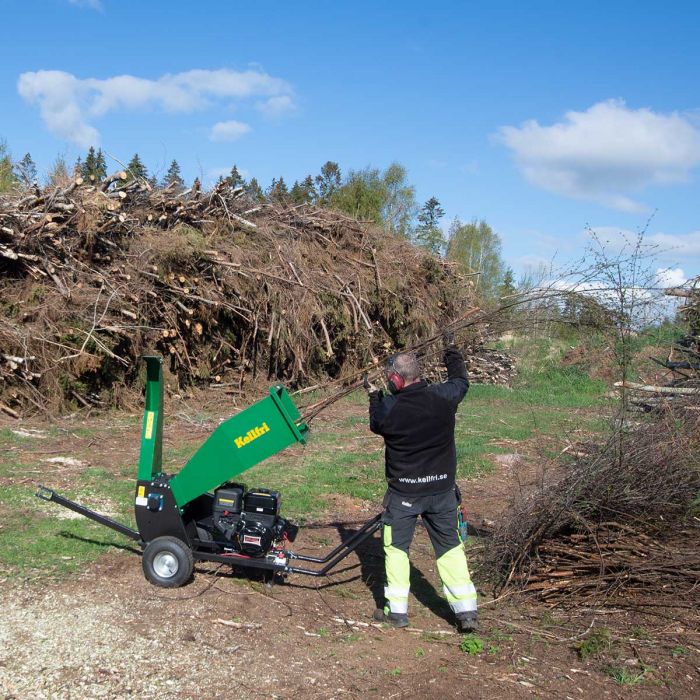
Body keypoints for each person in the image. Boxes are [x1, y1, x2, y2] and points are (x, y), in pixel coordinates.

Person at [365, 338, 477, 631]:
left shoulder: (389, 408)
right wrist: (451, 349)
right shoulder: (444, 396)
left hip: (404, 494)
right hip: (441, 491)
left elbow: (376, 422)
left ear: (395, 379)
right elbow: (461, 381)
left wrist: (373, 395)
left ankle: (397, 613)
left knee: (397, 549)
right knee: (450, 548)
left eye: (389, 380)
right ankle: (466, 612)